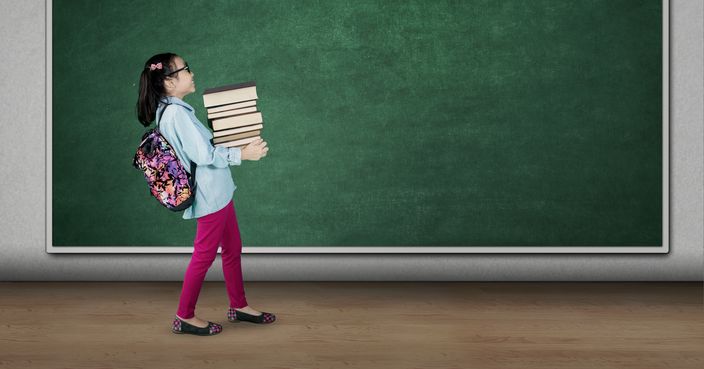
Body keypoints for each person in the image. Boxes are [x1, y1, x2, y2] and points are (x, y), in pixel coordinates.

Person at [136, 53, 275, 336]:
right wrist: (243, 154)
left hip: (219, 192)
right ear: (169, 82)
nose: (192, 73)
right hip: (210, 196)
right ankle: (184, 316)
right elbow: (204, 154)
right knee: (204, 255)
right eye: (186, 69)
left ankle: (239, 305)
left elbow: (202, 145)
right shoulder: (176, 114)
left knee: (232, 248)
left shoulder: (174, 109)